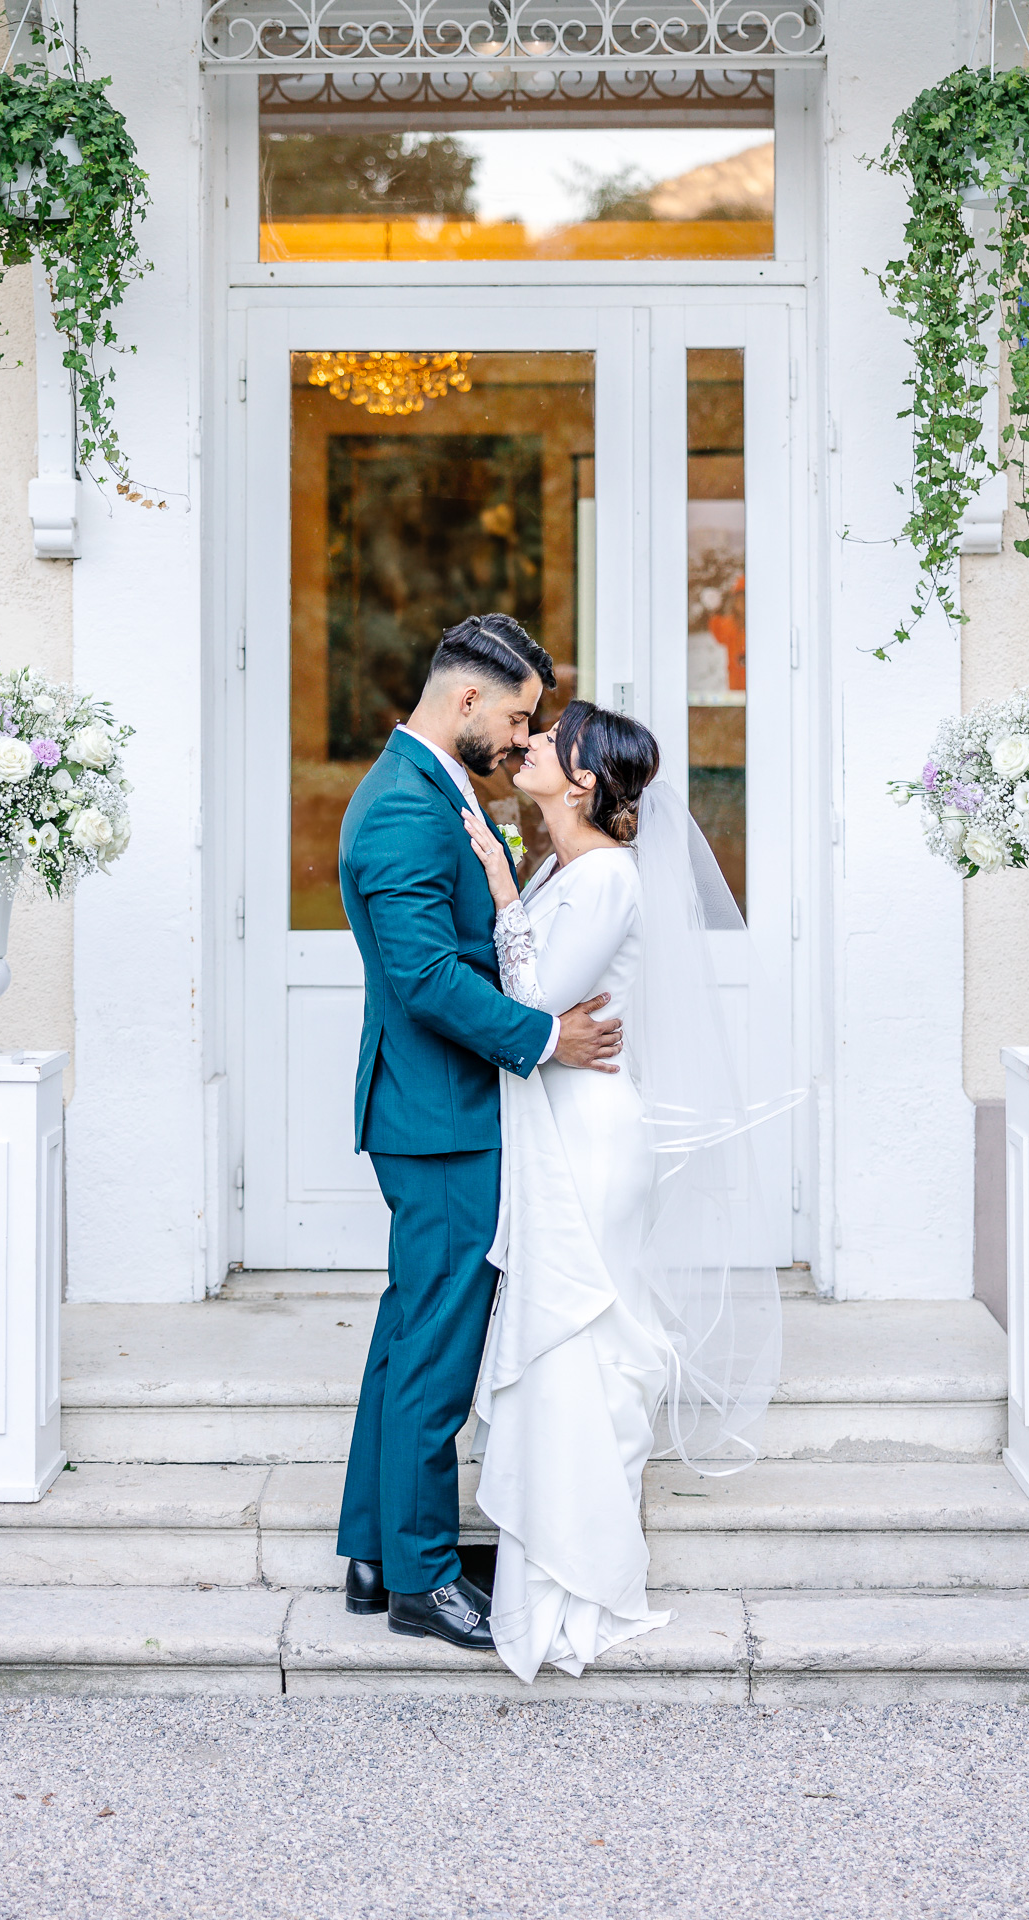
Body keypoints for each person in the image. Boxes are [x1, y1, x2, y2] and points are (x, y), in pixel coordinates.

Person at [461, 700, 783, 1682]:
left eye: (549, 743)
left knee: (577, 1335)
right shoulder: (571, 869)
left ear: (584, 780)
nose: (527, 749)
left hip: (592, 1137)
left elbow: (531, 1003)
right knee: (563, 1339)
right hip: (560, 1120)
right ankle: (547, 1573)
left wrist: (499, 891)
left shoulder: (600, 878)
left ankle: (576, 1579)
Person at [335, 615, 624, 1651]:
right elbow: (420, 978)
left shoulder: (429, 789)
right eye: (514, 717)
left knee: (410, 1331)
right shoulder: (405, 810)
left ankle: (374, 1547)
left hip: (435, 1110)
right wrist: (544, 1037)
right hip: (441, 1117)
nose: (519, 738)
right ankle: (419, 1575)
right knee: (437, 1352)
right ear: (464, 702)